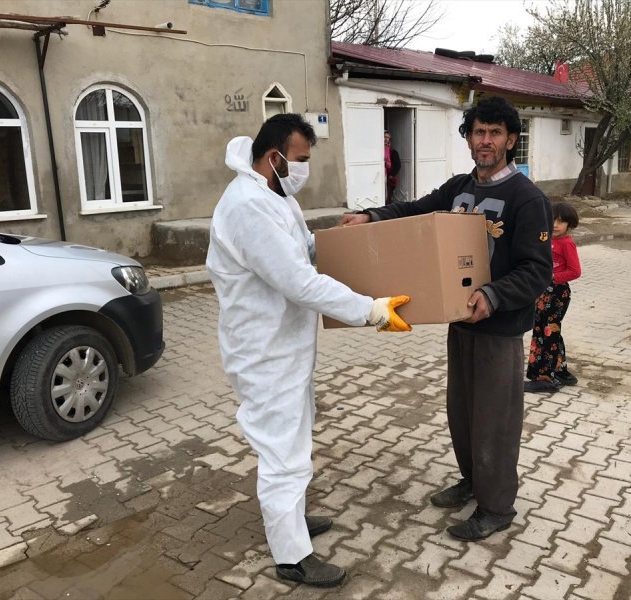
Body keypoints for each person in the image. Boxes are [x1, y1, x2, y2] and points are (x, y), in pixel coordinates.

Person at [206, 113, 411, 587]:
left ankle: (291, 519)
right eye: (299, 160)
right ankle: (291, 556)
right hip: (263, 352)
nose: (304, 169)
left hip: (286, 346)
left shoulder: (276, 195)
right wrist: (370, 310)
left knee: (295, 440)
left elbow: (301, 249)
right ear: (274, 156)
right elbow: (299, 281)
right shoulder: (247, 207)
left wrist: (345, 241)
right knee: (283, 452)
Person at [342, 97, 553, 541]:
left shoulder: (527, 199)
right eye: (478, 132)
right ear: (469, 138)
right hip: (460, 321)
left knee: (495, 420)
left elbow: (537, 270)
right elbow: (416, 209)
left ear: (510, 140)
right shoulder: (460, 188)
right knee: (463, 412)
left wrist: (493, 295)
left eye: (495, 133)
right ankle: (473, 481)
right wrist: (371, 216)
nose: (485, 140)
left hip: (498, 329)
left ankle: (497, 506)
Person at [525, 202, 581, 392]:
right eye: (552, 220)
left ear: (569, 224)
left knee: (547, 332)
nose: (555, 225)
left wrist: (552, 277)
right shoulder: (546, 238)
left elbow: (575, 271)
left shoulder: (567, 243)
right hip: (542, 292)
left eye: (561, 221)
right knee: (546, 330)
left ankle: (544, 378)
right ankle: (560, 370)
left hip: (557, 294)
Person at [384, 130, 401, 205]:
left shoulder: (393, 152)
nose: (386, 139)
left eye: (388, 137)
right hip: (381, 176)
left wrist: (391, 175)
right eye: (384, 137)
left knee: (388, 196)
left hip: (390, 177)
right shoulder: (379, 151)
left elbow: (398, 165)